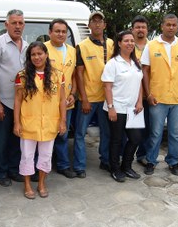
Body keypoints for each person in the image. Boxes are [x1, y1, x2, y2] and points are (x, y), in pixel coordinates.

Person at [141, 14, 178, 176]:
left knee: (175, 133)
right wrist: (148, 93)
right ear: (162, 26)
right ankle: (151, 161)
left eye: (174, 25)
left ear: (177, 27)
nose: (171, 27)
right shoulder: (151, 46)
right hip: (157, 98)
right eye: (168, 25)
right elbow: (145, 70)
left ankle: (173, 162)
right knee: (156, 132)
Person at [13, 41, 67, 199]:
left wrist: (63, 120)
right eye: (33, 54)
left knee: (46, 155)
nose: (37, 57)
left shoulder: (57, 75)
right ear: (29, 57)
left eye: (40, 54)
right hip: (29, 123)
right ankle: (27, 185)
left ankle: (42, 183)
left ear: (46, 55)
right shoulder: (22, 76)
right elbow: (17, 100)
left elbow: (62, 99)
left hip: (50, 123)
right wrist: (16, 122)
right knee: (27, 155)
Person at [0, 9, 28, 187]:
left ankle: (13, 169)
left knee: (16, 138)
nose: (17, 26)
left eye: (20, 23)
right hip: (3, 102)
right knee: (1, 141)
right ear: (6, 24)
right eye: (14, 23)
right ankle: (0, 172)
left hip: (21, 104)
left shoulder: (27, 46)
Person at [74, 12, 114, 178]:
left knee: (107, 132)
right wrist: (83, 98)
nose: (97, 24)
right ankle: (79, 166)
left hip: (106, 98)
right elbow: (79, 74)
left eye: (100, 21)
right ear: (89, 25)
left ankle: (105, 160)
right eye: (94, 21)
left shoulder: (112, 44)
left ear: (105, 25)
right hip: (88, 98)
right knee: (79, 133)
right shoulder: (82, 46)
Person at [102, 31, 143, 182]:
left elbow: (139, 84)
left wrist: (139, 102)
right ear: (119, 43)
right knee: (117, 140)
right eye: (126, 40)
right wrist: (111, 107)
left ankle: (127, 166)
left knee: (135, 138)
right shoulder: (113, 63)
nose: (130, 43)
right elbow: (107, 87)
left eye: (132, 41)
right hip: (117, 108)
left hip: (133, 109)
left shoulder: (136, 62)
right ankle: (115, 169)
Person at [44, 19, 78, 179]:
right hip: (48, 102)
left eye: (64, 31)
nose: (61, 34)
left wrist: (74, 95)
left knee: (63, 134)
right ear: (50, 32)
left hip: (66, 102)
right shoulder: (44, 49)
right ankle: (42, 166)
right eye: (57, 31)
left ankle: (63, 165)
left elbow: (75, 75)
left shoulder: (72, 50)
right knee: (45, 135)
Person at [131, 15, 150, 167]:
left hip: (148, 94)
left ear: (147, 30)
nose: (140, 30)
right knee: (128, 128)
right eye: (137, 27)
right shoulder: (127, 46)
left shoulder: (153, 46)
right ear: (132, 29)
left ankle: (142, 155)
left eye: (143, 27)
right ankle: (124, 157)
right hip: (130, 95)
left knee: (146, 128)